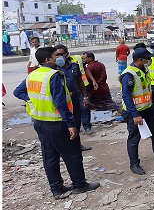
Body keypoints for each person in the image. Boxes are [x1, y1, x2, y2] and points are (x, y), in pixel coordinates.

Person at [13, 47, 100, 199]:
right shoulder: (54, 75)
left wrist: (34, 101)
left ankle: (57, 189)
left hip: (40, 122)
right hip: (57, 123)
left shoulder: (33, 75)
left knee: (50, 157)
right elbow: (61, 103)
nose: (59, 58)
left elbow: (18, 92)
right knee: (73, 155)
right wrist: (71, 124)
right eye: (56, 56)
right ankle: (79, 184)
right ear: (48, 60)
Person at [120, 48, 154, 175]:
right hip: (135, 112)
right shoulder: (128, 75)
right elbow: (126, 96)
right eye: (148, 59)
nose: (150, 61)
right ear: (140, 60)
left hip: (148, 108)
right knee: (134, 138)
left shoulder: (143, 70)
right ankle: (134, 164)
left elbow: (147, 89)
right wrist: (135, 115)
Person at [54, 45, 92, 148]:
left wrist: (84, 97)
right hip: (62, 99)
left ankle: (77, 145)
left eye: (61, 54)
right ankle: (66, 146)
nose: (59, 57)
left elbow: (80, 82)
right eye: (57, 55)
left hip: (75, 96)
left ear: (66, 54)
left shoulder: (74, 66)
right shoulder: (54, 69)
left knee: (76, 121)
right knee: (64, 122)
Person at [70, 51, 97, 134]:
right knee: (74, 109)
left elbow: (85, 69)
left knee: (85, 107)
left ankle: (87, 126)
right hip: (72, 89)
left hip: (83, 86)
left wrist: (93, 80)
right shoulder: (59, 64)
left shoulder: (78, 58)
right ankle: (76, 128)